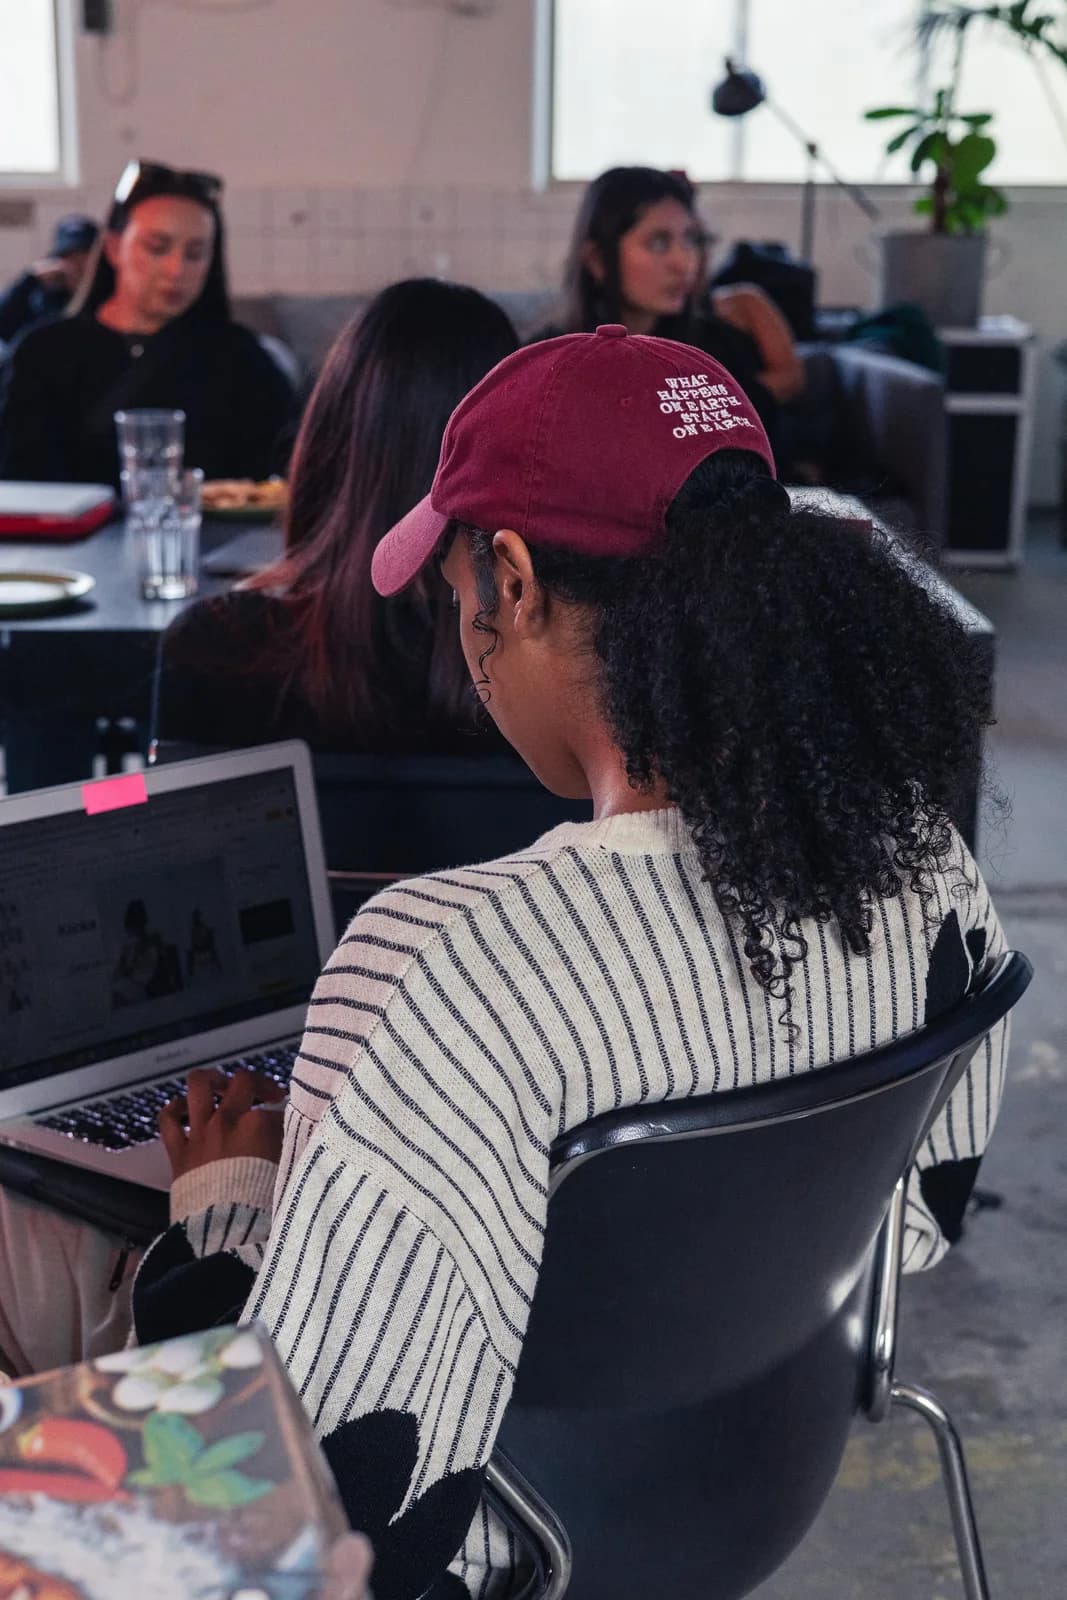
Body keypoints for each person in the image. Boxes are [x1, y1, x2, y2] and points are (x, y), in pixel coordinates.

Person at [0, 332, 1007, 1600]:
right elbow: (916, 1223)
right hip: (751, 1480)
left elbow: (307, 1497)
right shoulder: (930, 875)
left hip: (489, 1553)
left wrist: (225, 1202)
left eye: (458, 585)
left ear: (514, 580)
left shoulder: (443, 958)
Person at [155, 279, 518, 755]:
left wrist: (99, 796)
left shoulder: (217, 645)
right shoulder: (564, 682)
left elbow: (141, 803)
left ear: (330, 440)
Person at [0, 160, 297, 487]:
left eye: (195, 253)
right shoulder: (43, 352)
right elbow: (19, 473)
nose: (176, 269)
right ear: (114, 248)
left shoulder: (242, 358)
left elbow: (285, 467)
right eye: (157, 248)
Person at [533, 165, 785, 433]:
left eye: (689, 240)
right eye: (658, 243)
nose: (684, 262)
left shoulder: (716, 350)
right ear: (597, 260)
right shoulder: (547, 360)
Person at [0, 216, 98, 347]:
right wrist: (29, 280)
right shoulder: (44, 302)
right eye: (69, 258)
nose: (76, 267)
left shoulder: (110, 298)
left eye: (84, 257)